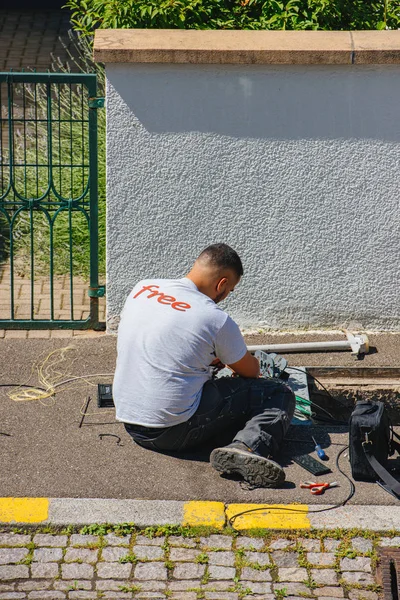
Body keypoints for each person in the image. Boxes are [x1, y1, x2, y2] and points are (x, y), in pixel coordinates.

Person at [113, 243, 295, 488]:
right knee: (277, 393)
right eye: (229, 289)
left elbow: (164, 341)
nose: (226, 296)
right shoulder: (215, 318)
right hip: (172, 431)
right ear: (221, 284)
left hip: (132, 423)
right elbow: (251, 372)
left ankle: (227, 437)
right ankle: (247, 447)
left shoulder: (144, 287)